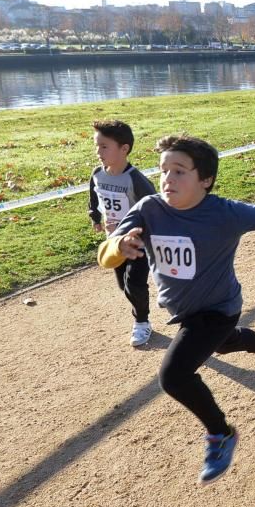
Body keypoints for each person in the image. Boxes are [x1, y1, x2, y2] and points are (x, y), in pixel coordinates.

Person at [97, 134, 255, 485]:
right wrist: (118, 246)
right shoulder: (148, 209)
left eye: (180, 171)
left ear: (206, 180)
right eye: (164, 170)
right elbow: (105, 257)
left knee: (175, 375)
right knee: (224, 344)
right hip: (184, 311)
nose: (168, 179)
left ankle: (221, 432)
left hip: (219, 308)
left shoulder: (224, 213)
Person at [88, 119, 157, 347]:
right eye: (96, 146)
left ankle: (142, 322)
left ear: (124, 149)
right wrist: (95, 216)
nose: (98, 152)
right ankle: (148, 300)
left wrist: (146, 235)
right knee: (123, 285)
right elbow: (94, 196)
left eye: (104, 146)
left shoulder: (135, 180)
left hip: (137, 242)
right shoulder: (98, 174)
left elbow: (155, 207)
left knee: (133, 284)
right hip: (114, 241)